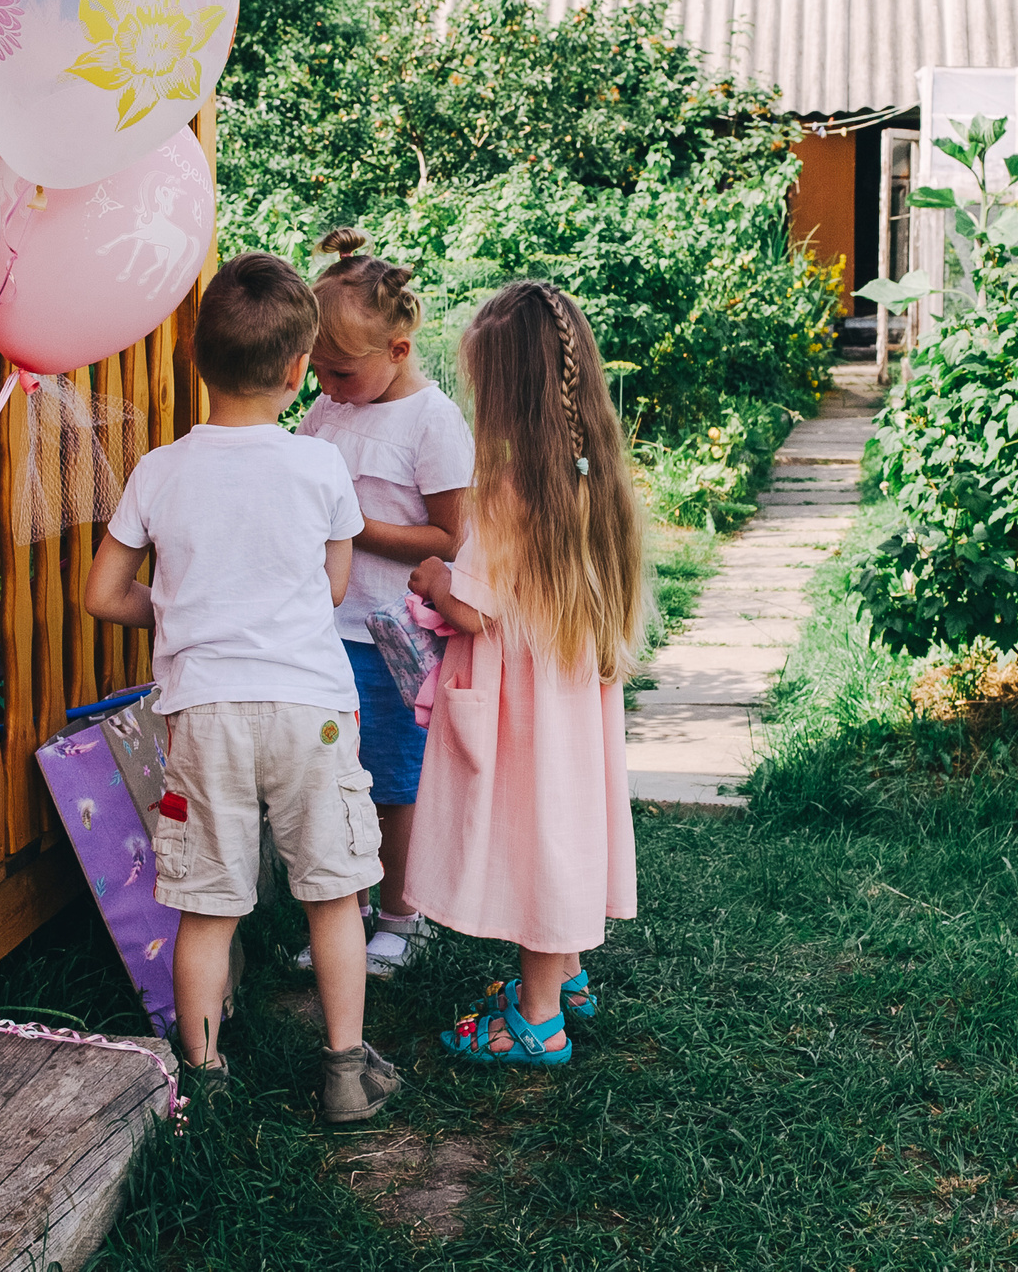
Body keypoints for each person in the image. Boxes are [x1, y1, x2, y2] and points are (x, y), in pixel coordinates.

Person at [84, 253, 401, 1123]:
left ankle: (205, 1073)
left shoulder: (159, 470)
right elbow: (332, 588)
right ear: (300, 369)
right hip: (311, 711)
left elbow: (103, 594)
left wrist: (176, 609)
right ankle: (343, 1069)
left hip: (203, 715)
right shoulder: (319, 469)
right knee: (334, 892)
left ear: (198, 359)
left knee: (208, 904)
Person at [406, 280, 642, 1066]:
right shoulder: (593, 474)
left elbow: (474, 606)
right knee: (565, 829)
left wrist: (437, 575)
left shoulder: (511, 492)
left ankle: (539, 1022)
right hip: (573, 705)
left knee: (539, 844)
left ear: (505, 394)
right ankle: (567, 978)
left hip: (524, 715)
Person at [292, 228, 471, 978]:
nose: (326, 386)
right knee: (334, 778)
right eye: (318, 372)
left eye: (339, 371)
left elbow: (451, 537)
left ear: (397, 349)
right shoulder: (327, 414)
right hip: (320, 630)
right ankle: (348, 910)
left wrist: (356, 527)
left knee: (395, 783)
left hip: (393, 639)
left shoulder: (431, 421)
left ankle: (402, 914)